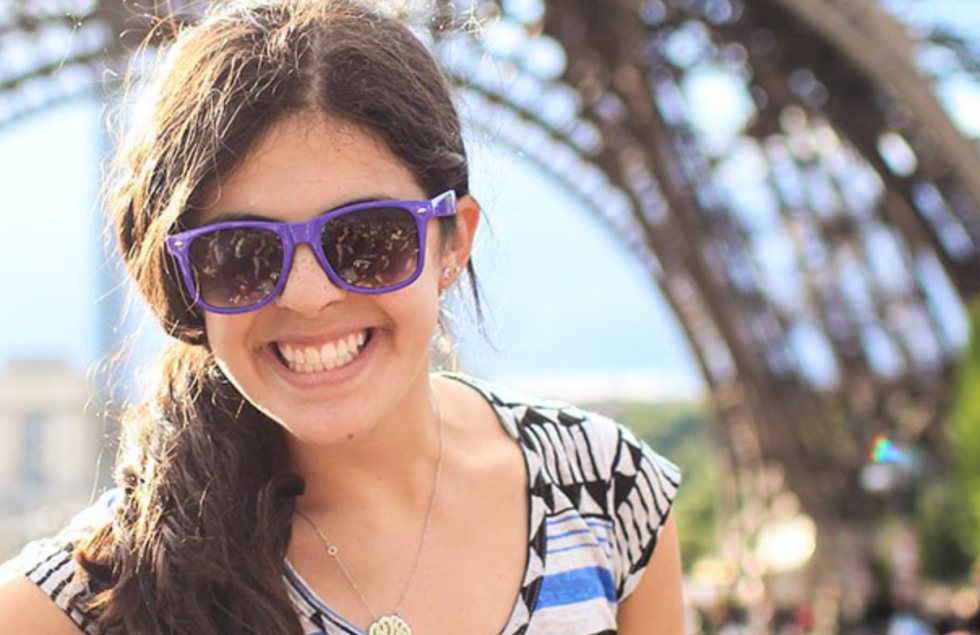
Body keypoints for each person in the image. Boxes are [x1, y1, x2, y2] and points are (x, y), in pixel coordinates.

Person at [0, 1, 684, 633]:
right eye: (239, 255)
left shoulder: (610, 490)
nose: (306, 294)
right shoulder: (93, 597)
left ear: (455, 239)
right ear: (186, 285)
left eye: (368, 241)